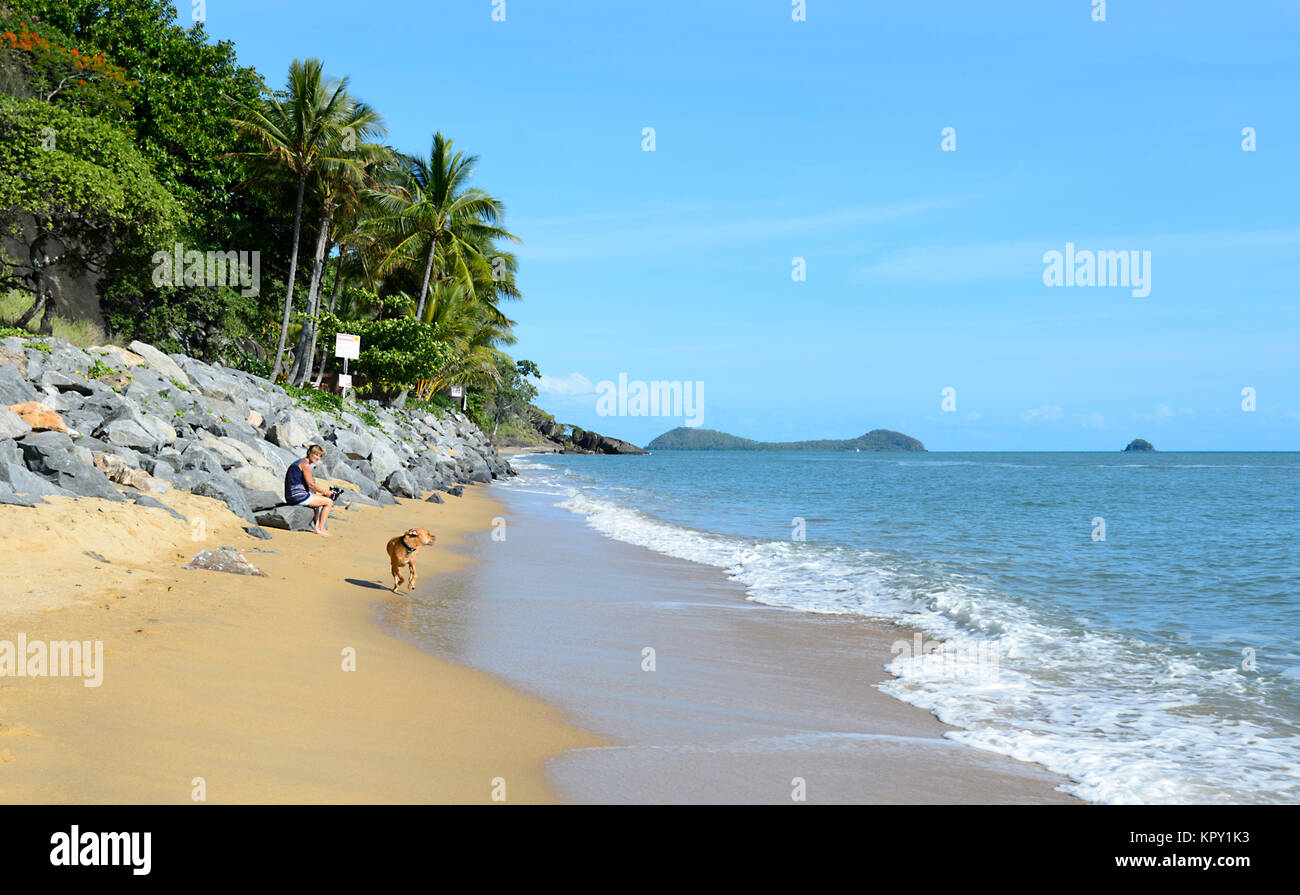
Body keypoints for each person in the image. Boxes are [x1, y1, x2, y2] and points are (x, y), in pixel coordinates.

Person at [284, 444, 334, 536]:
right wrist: (325, 492)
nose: (317, 457)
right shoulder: (305, 464)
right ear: (309, 452)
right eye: (315, 454)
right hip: (297, 496)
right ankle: (321, 529)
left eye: (319, 456)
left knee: (317, 503)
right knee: (329, 502)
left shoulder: (299, 462)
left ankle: (316, 527)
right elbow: (311, 484)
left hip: (291, 496)